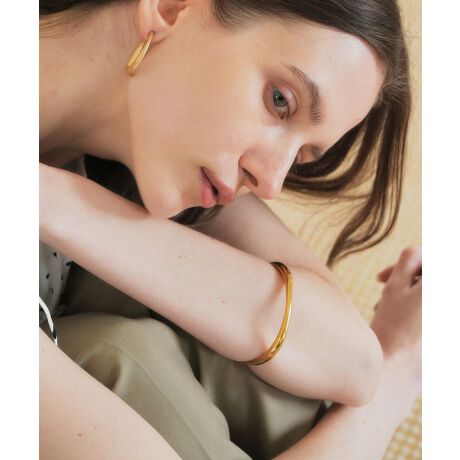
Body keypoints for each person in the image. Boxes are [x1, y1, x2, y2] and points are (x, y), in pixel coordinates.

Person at [39, 0, 421, 459]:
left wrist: (56, 201)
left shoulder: (131, 153)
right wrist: (398, 382)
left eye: (301, 156)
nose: (272, 182)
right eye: (280, 101)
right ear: (170, 8)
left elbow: (354, 363)